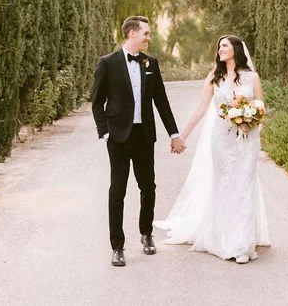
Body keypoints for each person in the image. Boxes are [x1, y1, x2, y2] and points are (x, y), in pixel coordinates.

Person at [154, 35, 270, 264]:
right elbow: (200, 109)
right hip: (222, 140)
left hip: (247, 140)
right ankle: (225, 239)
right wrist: (181, 136)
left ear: (236, 49)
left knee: (244, 186)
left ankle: (243, 245)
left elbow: (260, 106)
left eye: (225, 45)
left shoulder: (251, 77)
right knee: (225, 185)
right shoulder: (214, 78)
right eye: (219, 46)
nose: (220, 49)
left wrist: (251, 121)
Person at [91, 15, 186, 267]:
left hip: (144, 136)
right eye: (145, 33)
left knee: (148, 187)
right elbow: (96, 102)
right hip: (118, 137)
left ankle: (146, 234)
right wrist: (105, 132)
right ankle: (117, 247)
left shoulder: (150, 63)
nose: (148, 37)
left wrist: (174, 134)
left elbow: (161, 101)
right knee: (118, 191)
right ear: (132, 33)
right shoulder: (107, 63)